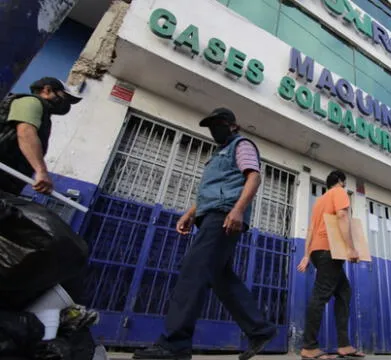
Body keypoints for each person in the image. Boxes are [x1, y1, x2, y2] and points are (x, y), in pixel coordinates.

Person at [133, 108, 276, 360]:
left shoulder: (241, 145)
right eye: (210, 125)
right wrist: (189, 214)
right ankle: (259, 329)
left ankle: (175, 344)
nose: (214, 129)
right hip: (212, 215)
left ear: (232, 125)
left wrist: (238, 210)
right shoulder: (217, 155)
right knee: (221, 277)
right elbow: (211, 190)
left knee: (193, 272)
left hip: (224, 216)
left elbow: (253, 177)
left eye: (219, 123)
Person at [297, 170, 365, 360]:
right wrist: (351, 248)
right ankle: (309, 347)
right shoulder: (339, 192)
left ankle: (343, 345)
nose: (345, 185)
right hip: (330, 250)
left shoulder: (319, 202)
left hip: (318, 252)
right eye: (344, 182)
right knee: (321, 295)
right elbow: (342, 216)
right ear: (340, 181)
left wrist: (306, 255)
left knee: (344, 292)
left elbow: (310, 229)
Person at [0, 77, 82, 195]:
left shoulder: (44, 115)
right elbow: (25, 132)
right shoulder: (32, 102)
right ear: (47, 90)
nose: (66, 103)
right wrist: (41, 171)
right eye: (64, 97)